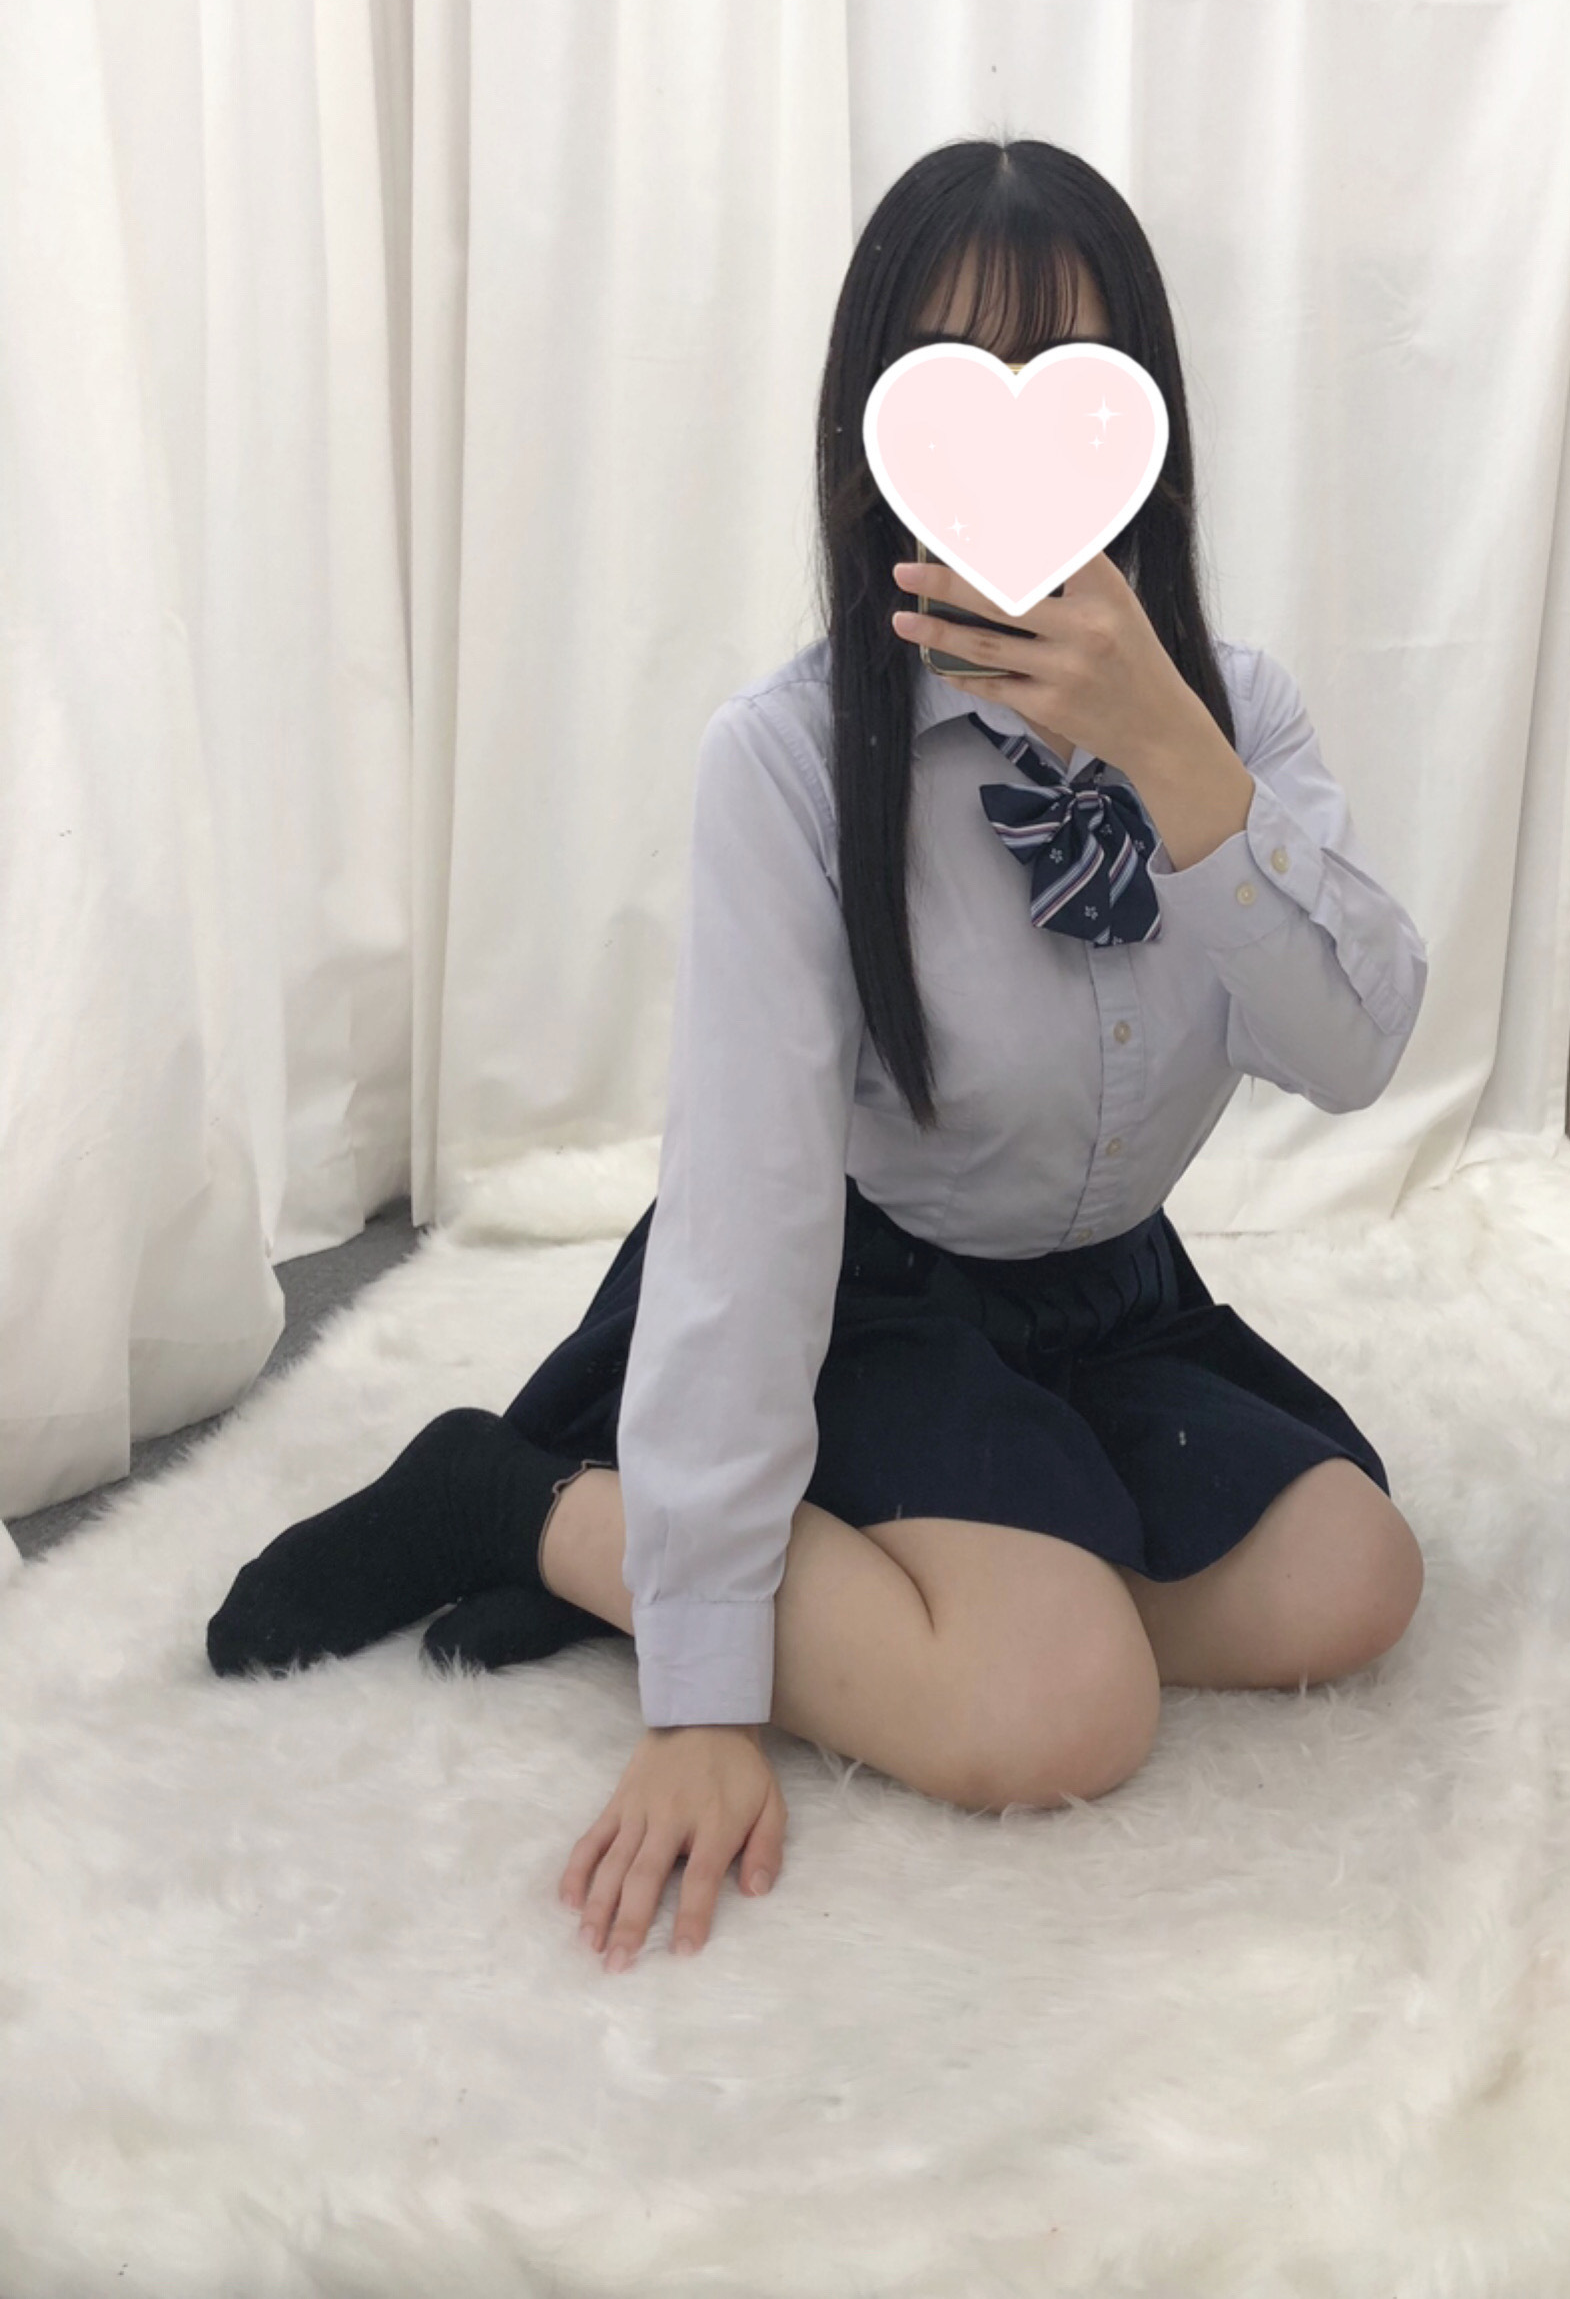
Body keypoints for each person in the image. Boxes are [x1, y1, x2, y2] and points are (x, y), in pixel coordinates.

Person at [206, 136, 1432, 1973]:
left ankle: (944, 1582)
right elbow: (748, 1211)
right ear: (875, 440)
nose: (1016, 454)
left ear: (1146, 431)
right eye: (957, 389)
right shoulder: (788, 761)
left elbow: (1354, 1051)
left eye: (1069, 386)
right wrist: (704, 1687)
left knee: (1357, 1578)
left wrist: (1177, 762)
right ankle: (531, 1504)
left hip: (1110, 1293)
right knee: (1060, 1709)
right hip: (871, 1293)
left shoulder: (1239, 715)